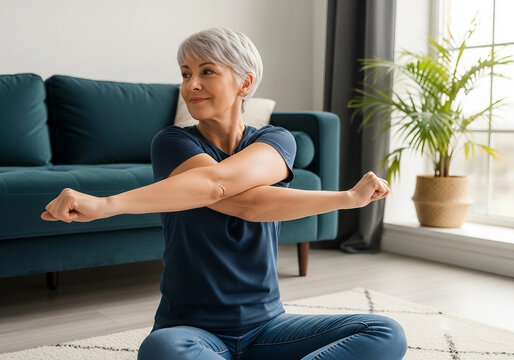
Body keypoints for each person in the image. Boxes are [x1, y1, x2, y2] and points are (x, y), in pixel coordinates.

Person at [41, 28, 407, 360]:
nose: (190, 85)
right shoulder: (171, 142)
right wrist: (346, 199)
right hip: (192, 331)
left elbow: (242, 200)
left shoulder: (276, 139)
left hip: (268, 328)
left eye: (207, 71)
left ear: (244, 84)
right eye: (185, 74)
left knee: (384, 332)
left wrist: (349, 199)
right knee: (161, 349)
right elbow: (222, 188)